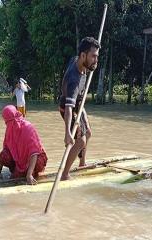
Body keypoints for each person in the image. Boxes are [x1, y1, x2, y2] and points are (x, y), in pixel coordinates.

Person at [59, 37, 99, 180]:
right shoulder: (74, 81)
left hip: (79, 104)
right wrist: (67, 134)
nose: (96, 60)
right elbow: (69, 109)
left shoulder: (78, 60)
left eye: (97, 56)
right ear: (83, 56)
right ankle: (64, 174)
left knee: (88, 132)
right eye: (93, 56)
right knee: (79, 141)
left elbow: (82, 56)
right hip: (69, 108)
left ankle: (82, 163)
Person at [0, 105, 48, 184]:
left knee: (38, 162)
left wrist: (29, 174)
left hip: (35, 158)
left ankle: (32, 172)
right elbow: (7, 149)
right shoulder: (9, 129)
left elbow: (34, 152)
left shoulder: (28, 127)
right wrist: (0, 165)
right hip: (20, 160)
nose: (7, 123)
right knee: (4, 155)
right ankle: (20, 170)